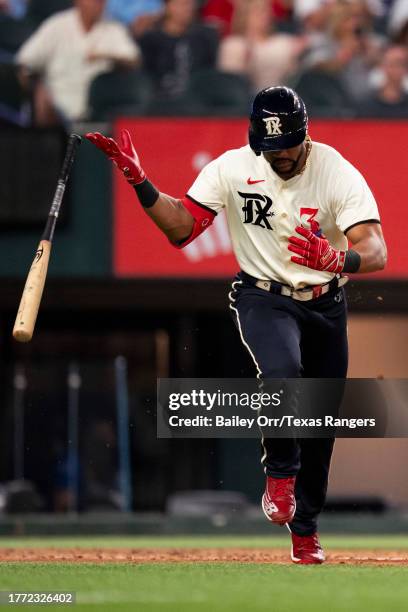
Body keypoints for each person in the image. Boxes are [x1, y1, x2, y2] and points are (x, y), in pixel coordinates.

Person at [85, 86, 387, 564]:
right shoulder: (232, 166)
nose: (280, 154)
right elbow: (182, 228)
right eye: (271, 146)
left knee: (321, 425)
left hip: (325, 302)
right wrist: (140, 180)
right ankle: (279, 477)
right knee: (283, 371)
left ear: (305, 135)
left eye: (288, 142)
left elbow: (376, 249)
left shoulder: (336, 170)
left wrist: (338, 256)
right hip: (262, 295)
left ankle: (305, 532)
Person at [16, 0, 140, 124]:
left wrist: (104, 55)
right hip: (57, 111)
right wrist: (35, 89)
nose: (99, 4)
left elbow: (133, 60)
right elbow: (24, 62)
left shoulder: (114, 28)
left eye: (102, 1)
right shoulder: (57, 25)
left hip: (97, 114)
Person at [138, 0, 219, 99]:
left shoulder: (206, 37)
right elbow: (146, 75)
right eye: (183, 4)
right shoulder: (150, 40)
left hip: (198, 102)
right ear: (167, 7)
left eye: (191, 4)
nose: (188, 9)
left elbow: (211, 73)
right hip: (160, 101)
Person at [218, 0, 305, 92]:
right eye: (258, 12)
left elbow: (294, 73)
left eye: (266, 12)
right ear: (244, 16)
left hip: (281, 95)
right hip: (247, 98)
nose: (264, 16)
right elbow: (230, 81)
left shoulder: (283, 41)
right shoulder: (234, 44)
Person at [357, 44, 408, 117]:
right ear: (383, 66)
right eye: (393, 63)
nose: (398, 68)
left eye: (402, 64)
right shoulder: (365, 104)